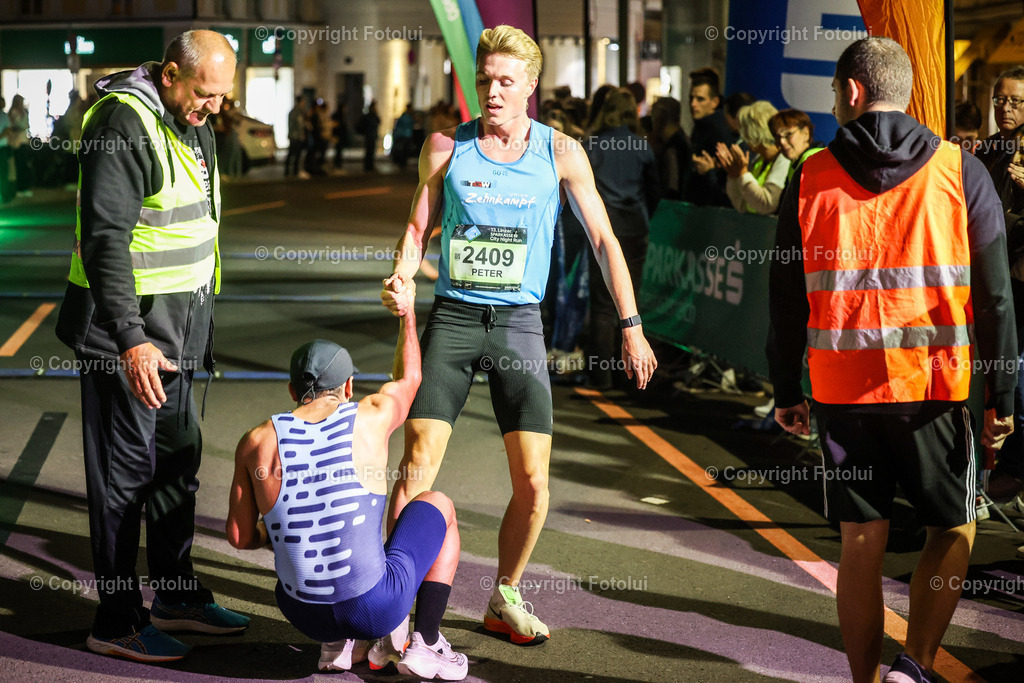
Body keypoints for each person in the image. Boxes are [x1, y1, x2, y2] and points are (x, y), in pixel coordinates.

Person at [380, 24, 657, 645]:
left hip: (519, 325)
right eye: (484, 81)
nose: (493, 92)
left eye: (507, 81)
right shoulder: (446, 146)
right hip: (452, 319)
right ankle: (393, 604)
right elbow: (416, 228)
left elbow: (607, 242)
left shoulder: (561, 153)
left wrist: (632, 326)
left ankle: (505, 594)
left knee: (534, 482)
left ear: (532, 86)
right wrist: (400, 277)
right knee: (416, 467)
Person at [766, 37, 1016, 683]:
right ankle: (918, 664)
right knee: (954, 525)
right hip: (934, 388)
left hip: (841, 390)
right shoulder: (962, 171)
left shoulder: (809, 172)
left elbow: (786, 296)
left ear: (852, 92)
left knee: (860, 541)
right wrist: (1005, 398)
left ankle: (864, 679)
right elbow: (994, 300)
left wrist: (782, 386)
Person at [54, 29, 249, 662]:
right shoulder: (122, 123)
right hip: (126, 335)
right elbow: (106, 240)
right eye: (204, 93)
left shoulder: (193, 123)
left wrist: (195, 331)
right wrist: (131, 341)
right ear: (169, 74)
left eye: (222, 95)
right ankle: (115, 620)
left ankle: (174, 594)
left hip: (180, 330)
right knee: (124, 477)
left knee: (176, 465)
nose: (214, 106)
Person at [227, 279, 468, 679]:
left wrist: (277, 533)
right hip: (374, 607)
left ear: (291, 390)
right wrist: (407, 314)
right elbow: (411, 378)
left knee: (301, 531)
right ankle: (425, 642)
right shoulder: (370, 415)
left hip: (303, 616)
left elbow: (239, 537)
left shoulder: (255, 442)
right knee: (438, 505)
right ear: (349, 387)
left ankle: (337, 645)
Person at [585, 88, 660, 389]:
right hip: (635, 229)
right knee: (630, 302)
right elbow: (655, 190)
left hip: (603, 231)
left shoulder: (593, 146)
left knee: (603, 303)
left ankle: (600, 375)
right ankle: (626, 373)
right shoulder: (642, 147)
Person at [976, 66, 1024, 503]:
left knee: (1017, 386)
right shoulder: (989, 149)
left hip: (1016, 282)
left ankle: (1011, 474)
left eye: (1015, 101)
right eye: (1000, 99)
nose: (1005, 108)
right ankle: (983, 476)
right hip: (996, 279)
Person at [718, 100, 791, 215]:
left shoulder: (784, 159)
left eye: (744, 130)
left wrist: (743, 173)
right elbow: (742, 205)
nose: (742, 136)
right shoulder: (758, 160)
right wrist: (734, 176)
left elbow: (767, 204)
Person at [684, 68, 735, 207]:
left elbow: (726, 185)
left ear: (715, 102)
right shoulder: (701, 127)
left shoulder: (719, 131)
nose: (693, 104)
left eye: (700, 99)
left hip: (713, 210)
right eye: (691, 98)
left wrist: (710, 171)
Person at [768, 108, 825, 198]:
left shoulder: (812, 160)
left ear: (806, 133)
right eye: (777, 137)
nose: (782, 142)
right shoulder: (795, 162)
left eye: (788, 135)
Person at [650, 96, 691, 201]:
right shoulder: (686, 141)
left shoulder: (672, 149)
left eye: (653, 117)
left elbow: (672, 187)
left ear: (660, 118)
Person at [7, 94, 32, 197]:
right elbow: (16, 126)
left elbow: (25, 125)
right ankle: (20, 188)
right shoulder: (13, 113)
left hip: (23, 141)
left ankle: (24, 187)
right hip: (16, 142)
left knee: (23, 164)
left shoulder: (24, 112)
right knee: (19, 164)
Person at [286, 95, 309, 178]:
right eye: (303, 102)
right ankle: (289, 171)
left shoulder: (300, 112)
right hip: (295, 136)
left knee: (297, 154)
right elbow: (294, 125)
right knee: (292, 154)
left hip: (298, 136)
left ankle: (294, 171)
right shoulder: (294, 112)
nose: (304, 104)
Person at [359, 100, 381, 172]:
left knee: (371, 151)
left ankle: (369, 165)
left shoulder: (372, 116)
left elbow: (379, 121)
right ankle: (368, 165)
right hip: (369, 135)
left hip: (371, 135)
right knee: (369, 151)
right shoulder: (369, 116)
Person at [0, 96, 10, 203]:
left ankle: (3, 194)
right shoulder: (4, 116)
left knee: (3, 171)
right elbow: (7, 130)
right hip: (2, 146)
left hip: (2, 146)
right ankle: (3, 195)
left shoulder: (4, 115)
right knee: (3, 171)